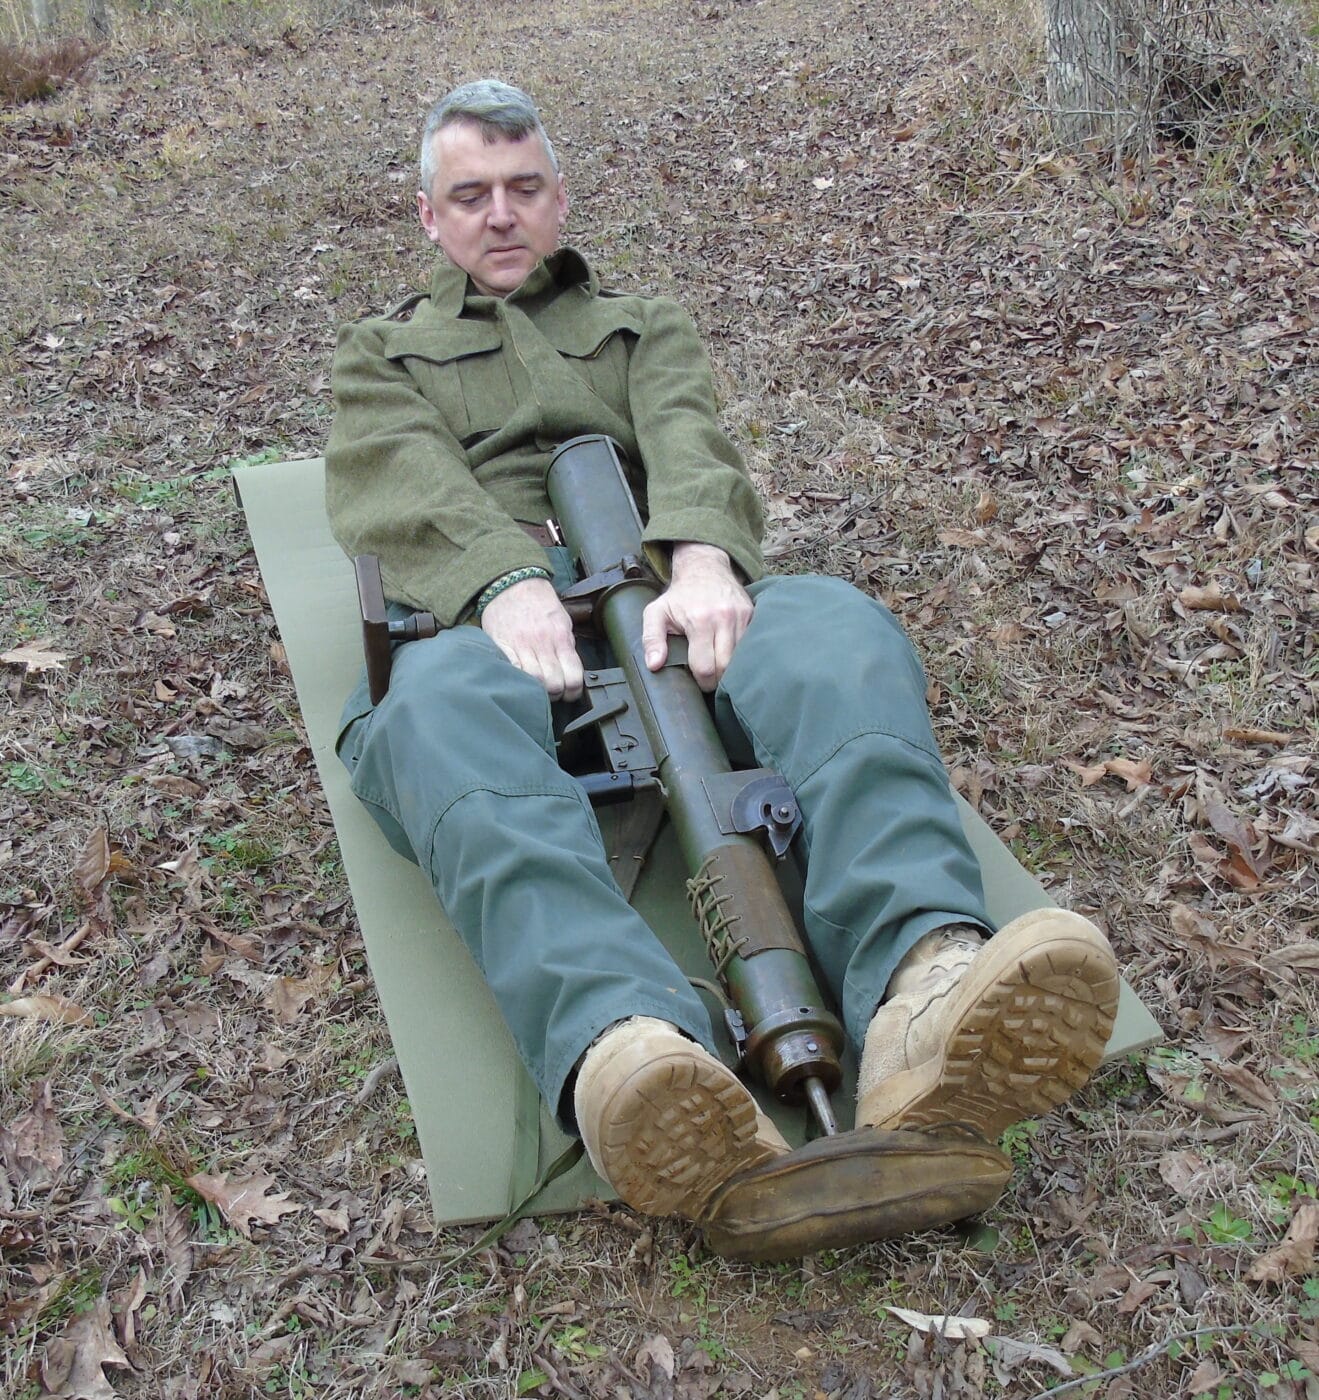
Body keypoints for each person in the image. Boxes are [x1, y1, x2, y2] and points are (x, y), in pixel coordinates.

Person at [325, 79, 1120, 1252]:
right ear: (430, 218)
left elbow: (690, 430)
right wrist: (501, 580)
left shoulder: (640, 323)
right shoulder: (381, 353)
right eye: (471, 196)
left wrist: (701, 554)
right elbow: (391, 473)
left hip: (661, 593)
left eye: (523, 189)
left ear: (558, 199)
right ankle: (624, 1050)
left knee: (835, 633)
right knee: (429, 719)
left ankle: (924, 986)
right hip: (484, 617)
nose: (500, 215)